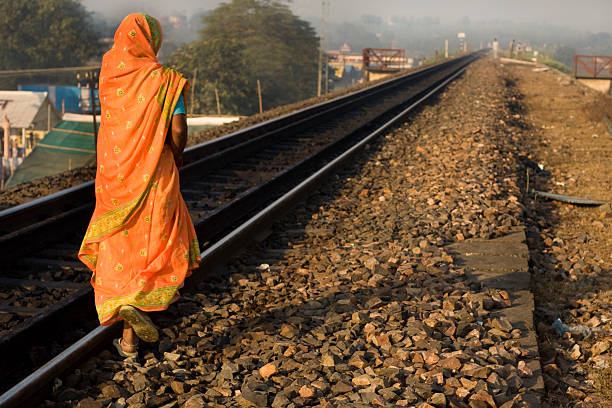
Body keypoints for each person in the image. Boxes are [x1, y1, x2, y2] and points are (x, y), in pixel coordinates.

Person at [78, 13, 201, 358]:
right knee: (156, 242)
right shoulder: (165, 81)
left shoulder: (110, 76)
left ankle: (129, 340)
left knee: (122, 249)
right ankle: (141, 302)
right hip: (156, 175)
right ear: (153, 42)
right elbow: (177, 131)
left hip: (115, 179)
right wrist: (176, 155)